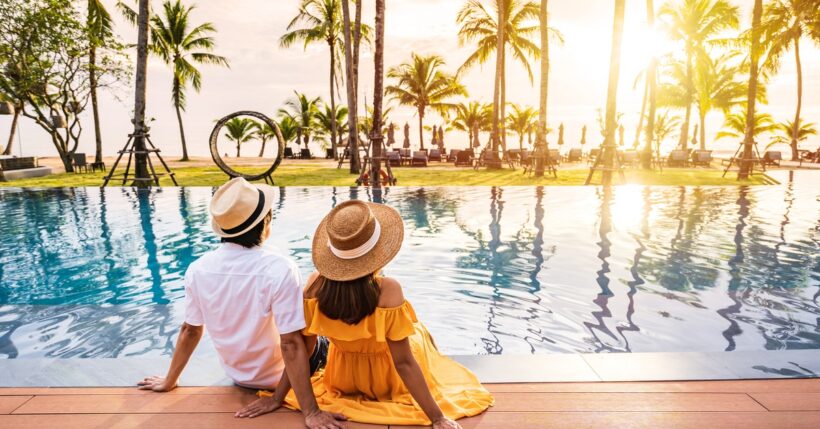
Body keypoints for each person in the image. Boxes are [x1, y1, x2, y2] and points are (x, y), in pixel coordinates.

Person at [236, 200, 494, 428]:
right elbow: (403, 362)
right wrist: (437, 417)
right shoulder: (388, 290)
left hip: (342, 379)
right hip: (388, 381)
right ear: (377, 252)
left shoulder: (314, 285)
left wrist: (279, 398)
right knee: (418, 331)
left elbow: (300, 350)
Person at [137, 178, 346, 429]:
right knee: (323, 334)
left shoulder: (197, 269)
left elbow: (190, 330)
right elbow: (292, 343)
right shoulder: (279, 268)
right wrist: (310, 411)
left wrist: (170, 380)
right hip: (281, 377)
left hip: (240, 377)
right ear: (265, 223)